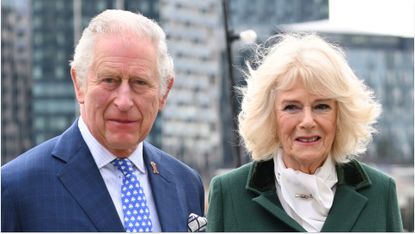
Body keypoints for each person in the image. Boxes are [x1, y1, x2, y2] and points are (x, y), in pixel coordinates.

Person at [2, 9, 205, 232]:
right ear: (79, 84)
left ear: (164, 93)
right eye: (109, 80)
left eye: (140, 82)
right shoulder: (15, 188)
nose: (124, 101)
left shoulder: (185, 183)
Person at [207, 33, 403, 232]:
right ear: (270, 116)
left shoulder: (380, 193)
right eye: (292, 107)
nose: (307, 121)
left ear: (340, 115)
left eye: (321, 106)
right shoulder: (229, 193)